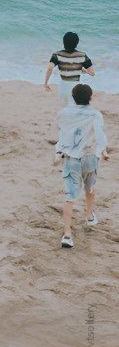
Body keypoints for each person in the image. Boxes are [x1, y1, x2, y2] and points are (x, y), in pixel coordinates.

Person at [56, 82, 108, 250]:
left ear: (73, 97)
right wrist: (103, 151)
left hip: (72, 158)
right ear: (90, 98)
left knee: (70, 196)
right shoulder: (95, 114)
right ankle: (89, 216)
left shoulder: (64, 113)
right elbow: (100, 134)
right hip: (89, 156)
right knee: (90, 187)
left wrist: (60, 150)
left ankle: (67, 235)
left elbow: (63, 132)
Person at [44, 32, 95, 105]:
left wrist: (46, 83)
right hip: (76, 88)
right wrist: (84, 70)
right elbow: (92, 73)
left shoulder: (57, 55)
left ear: (63, 42)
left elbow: (50, 68)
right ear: (76, 43)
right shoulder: (82, 55)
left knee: (65, 107)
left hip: (63, 87)